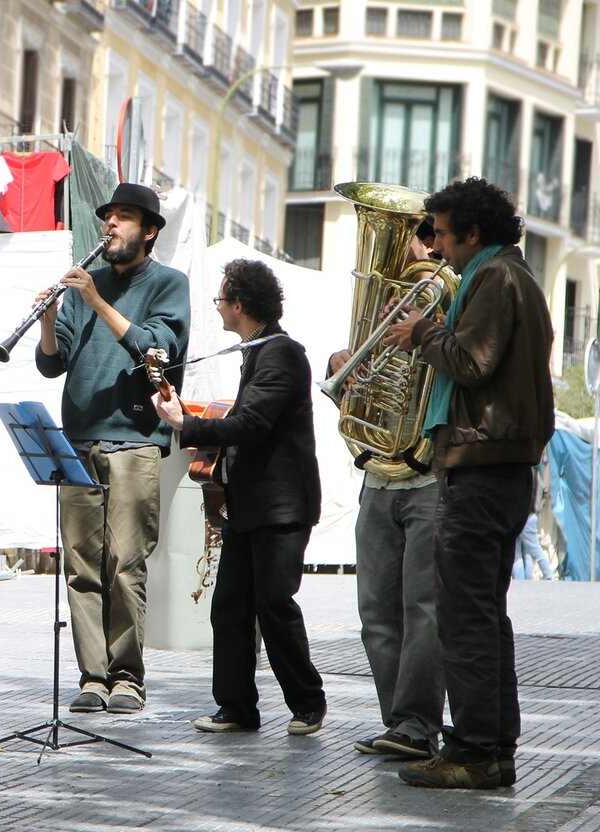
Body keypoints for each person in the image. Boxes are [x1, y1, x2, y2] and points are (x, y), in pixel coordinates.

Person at [384, 177, 555, 789]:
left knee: (465, 618)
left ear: (472, 232)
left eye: (439, 232)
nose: (432, 245)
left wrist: (421, 333)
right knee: (482, 616)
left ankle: (477, 750)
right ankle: (491, 746)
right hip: (498, 468)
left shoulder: (492, 277)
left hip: (482, 470)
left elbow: (472, 361)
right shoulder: (512, 276)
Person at [152, 258, 325, 735]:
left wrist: (186, 424)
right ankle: (236, 708)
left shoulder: (283, 354)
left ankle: (308, 702)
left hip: (280, 507)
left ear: (241, 305)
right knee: (228, 607)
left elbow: (251, 425)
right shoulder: (258, 352)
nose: (219, 308)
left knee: (274, 605)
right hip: (251, 505)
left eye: (222, 300)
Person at [35, 182, 190, 714]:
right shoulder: (87, 285)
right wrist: (51, 321)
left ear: (149, 230)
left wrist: (95, 301)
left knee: (125, 563)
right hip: (77, 440)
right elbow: (53, 364)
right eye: (108, 218)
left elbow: (156, 347)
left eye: (123, 218)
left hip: (134, 440)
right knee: (80, 566)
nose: (110, 227)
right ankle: (92, 677)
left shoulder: (169, 283)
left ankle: (128, 676)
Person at [327, 232, 445, 760]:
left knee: (422, 609)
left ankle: (418, 726)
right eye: (417, 240)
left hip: (428, 476)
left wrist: (422, 334)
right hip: (378, 475)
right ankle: (396, 722)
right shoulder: (388, 301)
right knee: (375, 610)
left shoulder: (448, 295)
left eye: (425, 239)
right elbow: (350, 365)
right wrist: (342, 363)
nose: (417, 251)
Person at [512, 469, 553, 580]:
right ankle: (527, 579)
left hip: (523, 515)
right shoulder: (536, 474)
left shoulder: (523, 474)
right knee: (528, 552)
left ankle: (548, 576)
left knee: (522, 553)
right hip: (532, 515)